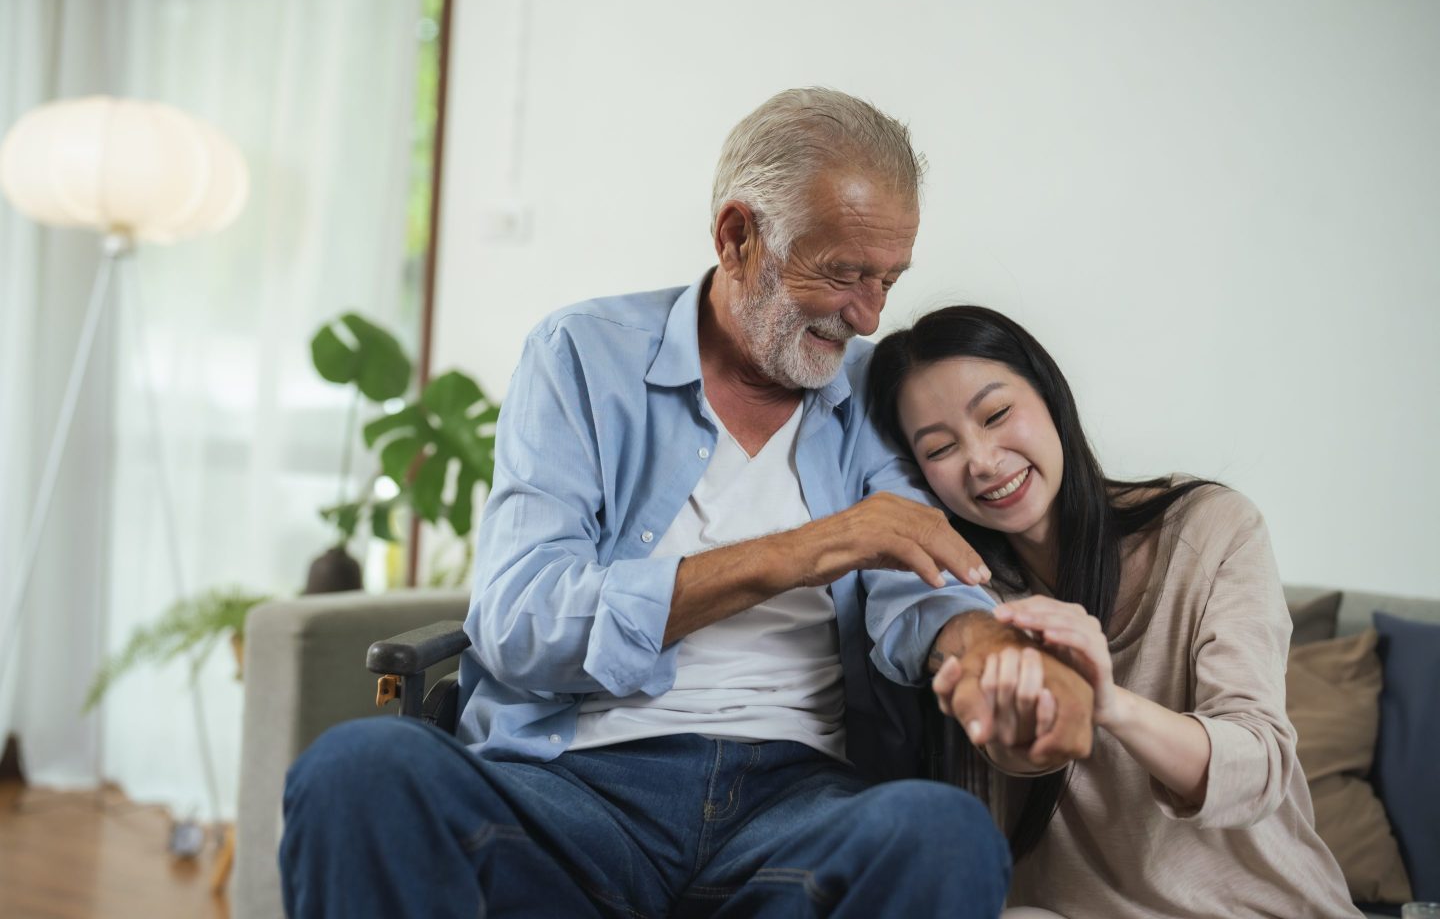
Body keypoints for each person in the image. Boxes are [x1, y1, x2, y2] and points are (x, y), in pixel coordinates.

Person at [278, 89, 1097, 918]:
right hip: (569, 793)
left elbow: (918, 577)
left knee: (942, 833)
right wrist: (804, 549)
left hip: (790, 810)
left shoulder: (870, 389)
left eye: (888, 278)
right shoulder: (581, 358)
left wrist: (989, 647)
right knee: (357, 770)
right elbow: (520, 622)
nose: (868, 313)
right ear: (737, 236)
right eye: (844, 273)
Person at [867, 304, 1360, 918]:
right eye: (941, 449)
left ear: (1050, 397)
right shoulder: (964, 606)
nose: (983, 461)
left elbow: (1258, 767)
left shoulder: (1207, 530)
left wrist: (1109, 705)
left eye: (996, 415)